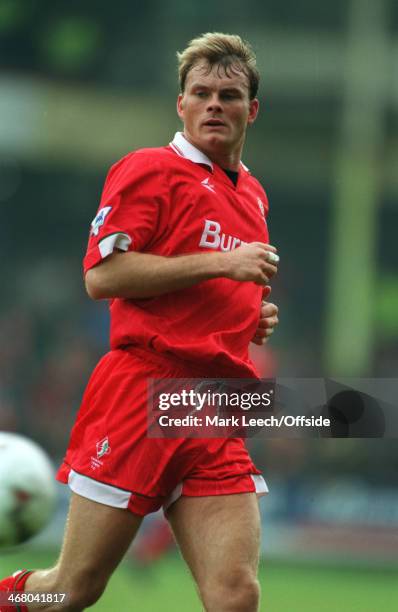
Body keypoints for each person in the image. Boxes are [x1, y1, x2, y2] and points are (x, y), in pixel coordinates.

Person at [0, 32, 279, 612]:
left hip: (213, 403)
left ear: (251, 110)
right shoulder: (149, 169)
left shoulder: (252, 194)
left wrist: (246, 315)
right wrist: (225, 264)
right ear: (180, 104)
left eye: (229, 95)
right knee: (70, 592)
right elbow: (104, 276)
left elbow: (197, 286)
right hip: (142, 391)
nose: (213, 105)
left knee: (236, 595)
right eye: (200, 93)